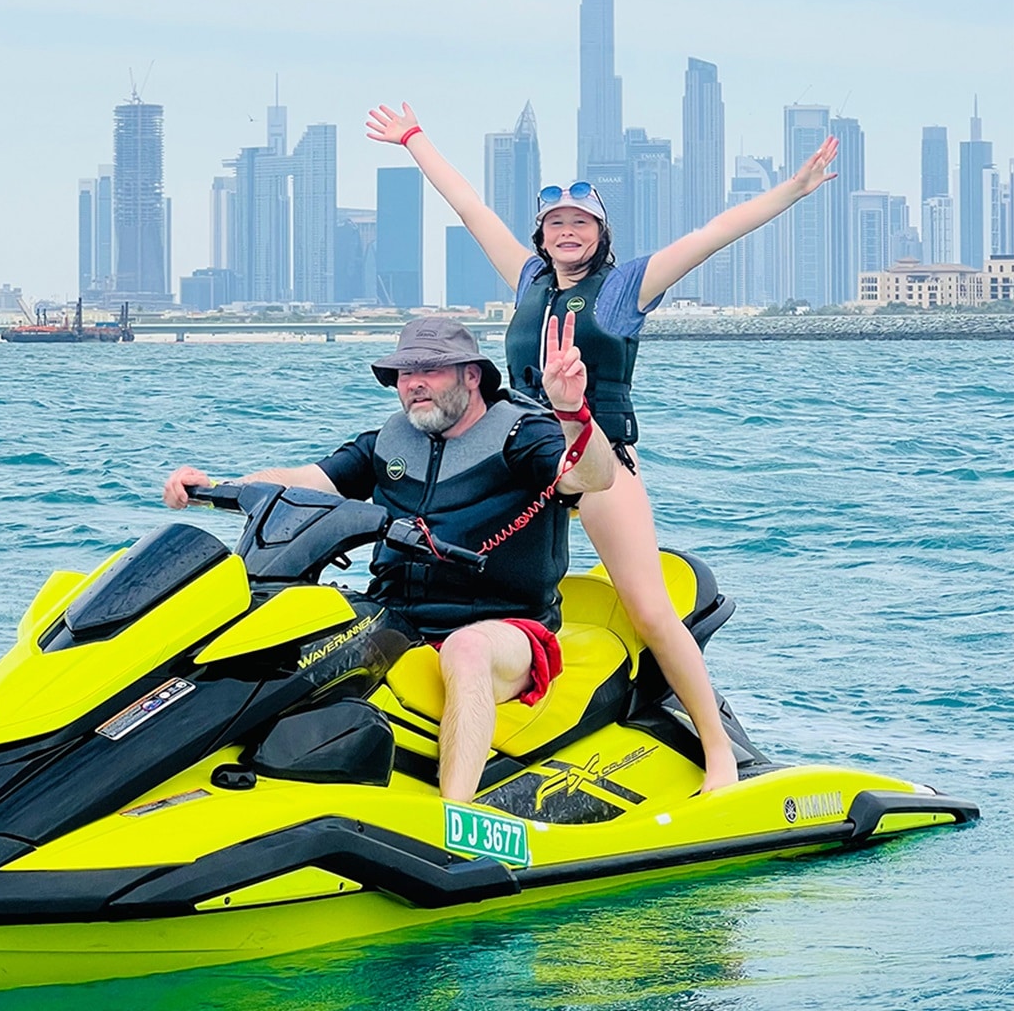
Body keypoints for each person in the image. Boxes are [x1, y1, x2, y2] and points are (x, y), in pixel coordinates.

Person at [366, 102, 840, 792]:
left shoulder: (622, 290)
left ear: (599, 234)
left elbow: (710, 236)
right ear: (542, 234)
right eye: (556, 224)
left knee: (647, 606)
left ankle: (717, 755)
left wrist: (790, 192)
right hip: (523, 463)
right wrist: (415, 140)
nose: (566, 233)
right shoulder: (528, 282)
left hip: (597, 462)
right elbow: (471, 209)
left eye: (580, 224)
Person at [164, 315, 616, 804]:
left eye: (430, 370)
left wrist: (571, 412)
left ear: (471, 375)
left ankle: (455, 819)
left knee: (466, 650)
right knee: (293, 631)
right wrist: (217, 486)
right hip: (399, 619)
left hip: (507, 627)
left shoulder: (522, 434)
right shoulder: (389, 442)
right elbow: (305, 481)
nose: (414, 384)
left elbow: (591, 477)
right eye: (405, 373)